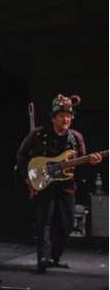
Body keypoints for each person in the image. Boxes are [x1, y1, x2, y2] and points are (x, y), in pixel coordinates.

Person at [17, 95, 101, 272]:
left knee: (66, 224)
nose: (66, 119)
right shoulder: (38, 134)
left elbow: (82, 164)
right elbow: (22, 155)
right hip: (45, 183)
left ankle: (54, 257)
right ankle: (43, 258)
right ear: (53, 117)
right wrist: (27, 177)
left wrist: (91, 162)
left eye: (69, 116)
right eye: (62, 115)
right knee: (44, 222)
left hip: (66, 185)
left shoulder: (76, 138)